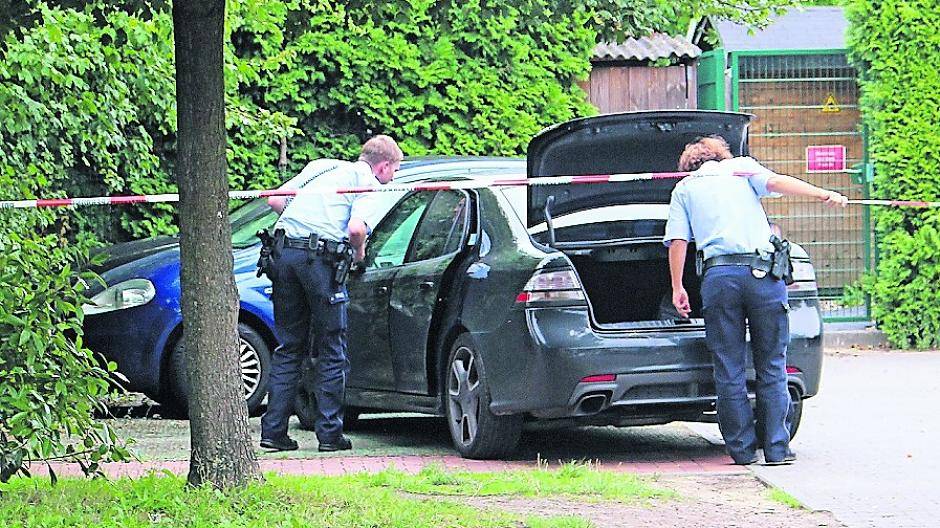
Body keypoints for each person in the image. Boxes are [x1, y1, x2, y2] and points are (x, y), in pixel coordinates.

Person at [663, 135, 847, 465]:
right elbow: (777, 183)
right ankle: (777, 449)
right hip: (763, 276)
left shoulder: (685, 188)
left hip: (719, 280)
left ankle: (742, 451)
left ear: (688, 166)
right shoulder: (741, 168)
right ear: (721, 155)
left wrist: (678, 286)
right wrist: (825, 194)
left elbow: (678, 241)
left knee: (728, 367)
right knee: (772, 363)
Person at [259, 135, 402, 452]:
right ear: (384, 166)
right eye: (395, 171)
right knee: (331, 348)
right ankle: (329, 435)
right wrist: (360, 254)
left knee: (289, 346)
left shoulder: (321, 167)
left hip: (283, 256)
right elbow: (355, 229)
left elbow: (275, 201)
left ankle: (273, 432)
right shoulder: (368, 183)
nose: (393, 177)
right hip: (320, 263)